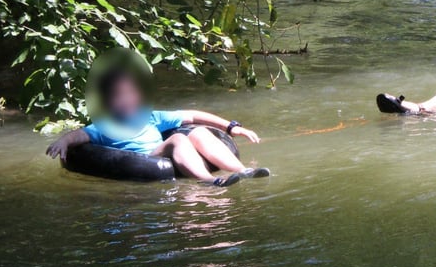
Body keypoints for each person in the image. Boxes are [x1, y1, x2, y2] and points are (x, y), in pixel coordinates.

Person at [45, 68, 271, 186]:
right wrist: (62, 142)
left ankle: (242, 171)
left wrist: (231, 127)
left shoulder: (150, 117)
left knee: (198, 131)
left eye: (130, 94)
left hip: (166, 153)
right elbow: (79, 135)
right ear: (106, 103)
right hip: (146, 158)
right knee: (178, 140)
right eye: (118, 97)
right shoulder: (106, 126)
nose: (126, 101)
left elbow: (191, 114)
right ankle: (211, 182)